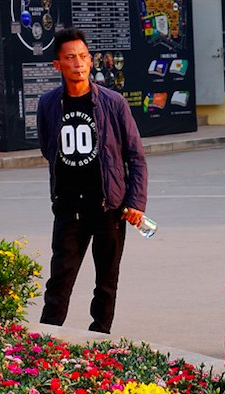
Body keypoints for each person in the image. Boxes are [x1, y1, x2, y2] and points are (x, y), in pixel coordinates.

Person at [37, 28, 147, 334]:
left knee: (106, 283)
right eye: (70, 58)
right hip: (69, 208)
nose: (79, 63)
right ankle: (46, 343)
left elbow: (135, 156)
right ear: (57, 65)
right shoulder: (47, 104)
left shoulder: (113, 103)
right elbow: (49, 148)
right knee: (59, 281)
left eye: (83, 56)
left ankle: (99, 342)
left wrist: (135, 202)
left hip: (108, 209)